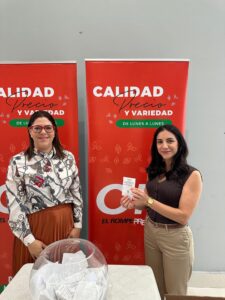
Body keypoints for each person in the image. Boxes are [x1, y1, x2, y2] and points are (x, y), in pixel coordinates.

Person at [121, 124, 202, 299]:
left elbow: (183, 216)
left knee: (175, 293)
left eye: (170, 141)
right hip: (151, 232)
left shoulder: (191, 175)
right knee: (155, 286)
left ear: (180, 144)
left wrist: (148, 200)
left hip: (175, 236)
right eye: (160, 142)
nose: (164, 146)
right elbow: (147, 205)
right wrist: (135, 204)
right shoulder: (155, 171)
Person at [6, 110, 83, 275]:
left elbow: (76, 193)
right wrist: (29, 241)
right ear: (30, 131)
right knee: (33, 280)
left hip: (66, 227)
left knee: (63, 279)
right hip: (35, 229)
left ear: (54, 131)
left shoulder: (68, 158)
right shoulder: (18, 162)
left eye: (48, 128)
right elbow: (14, 205)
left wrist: (77, 226)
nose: (43, 132)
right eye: (37, 128)